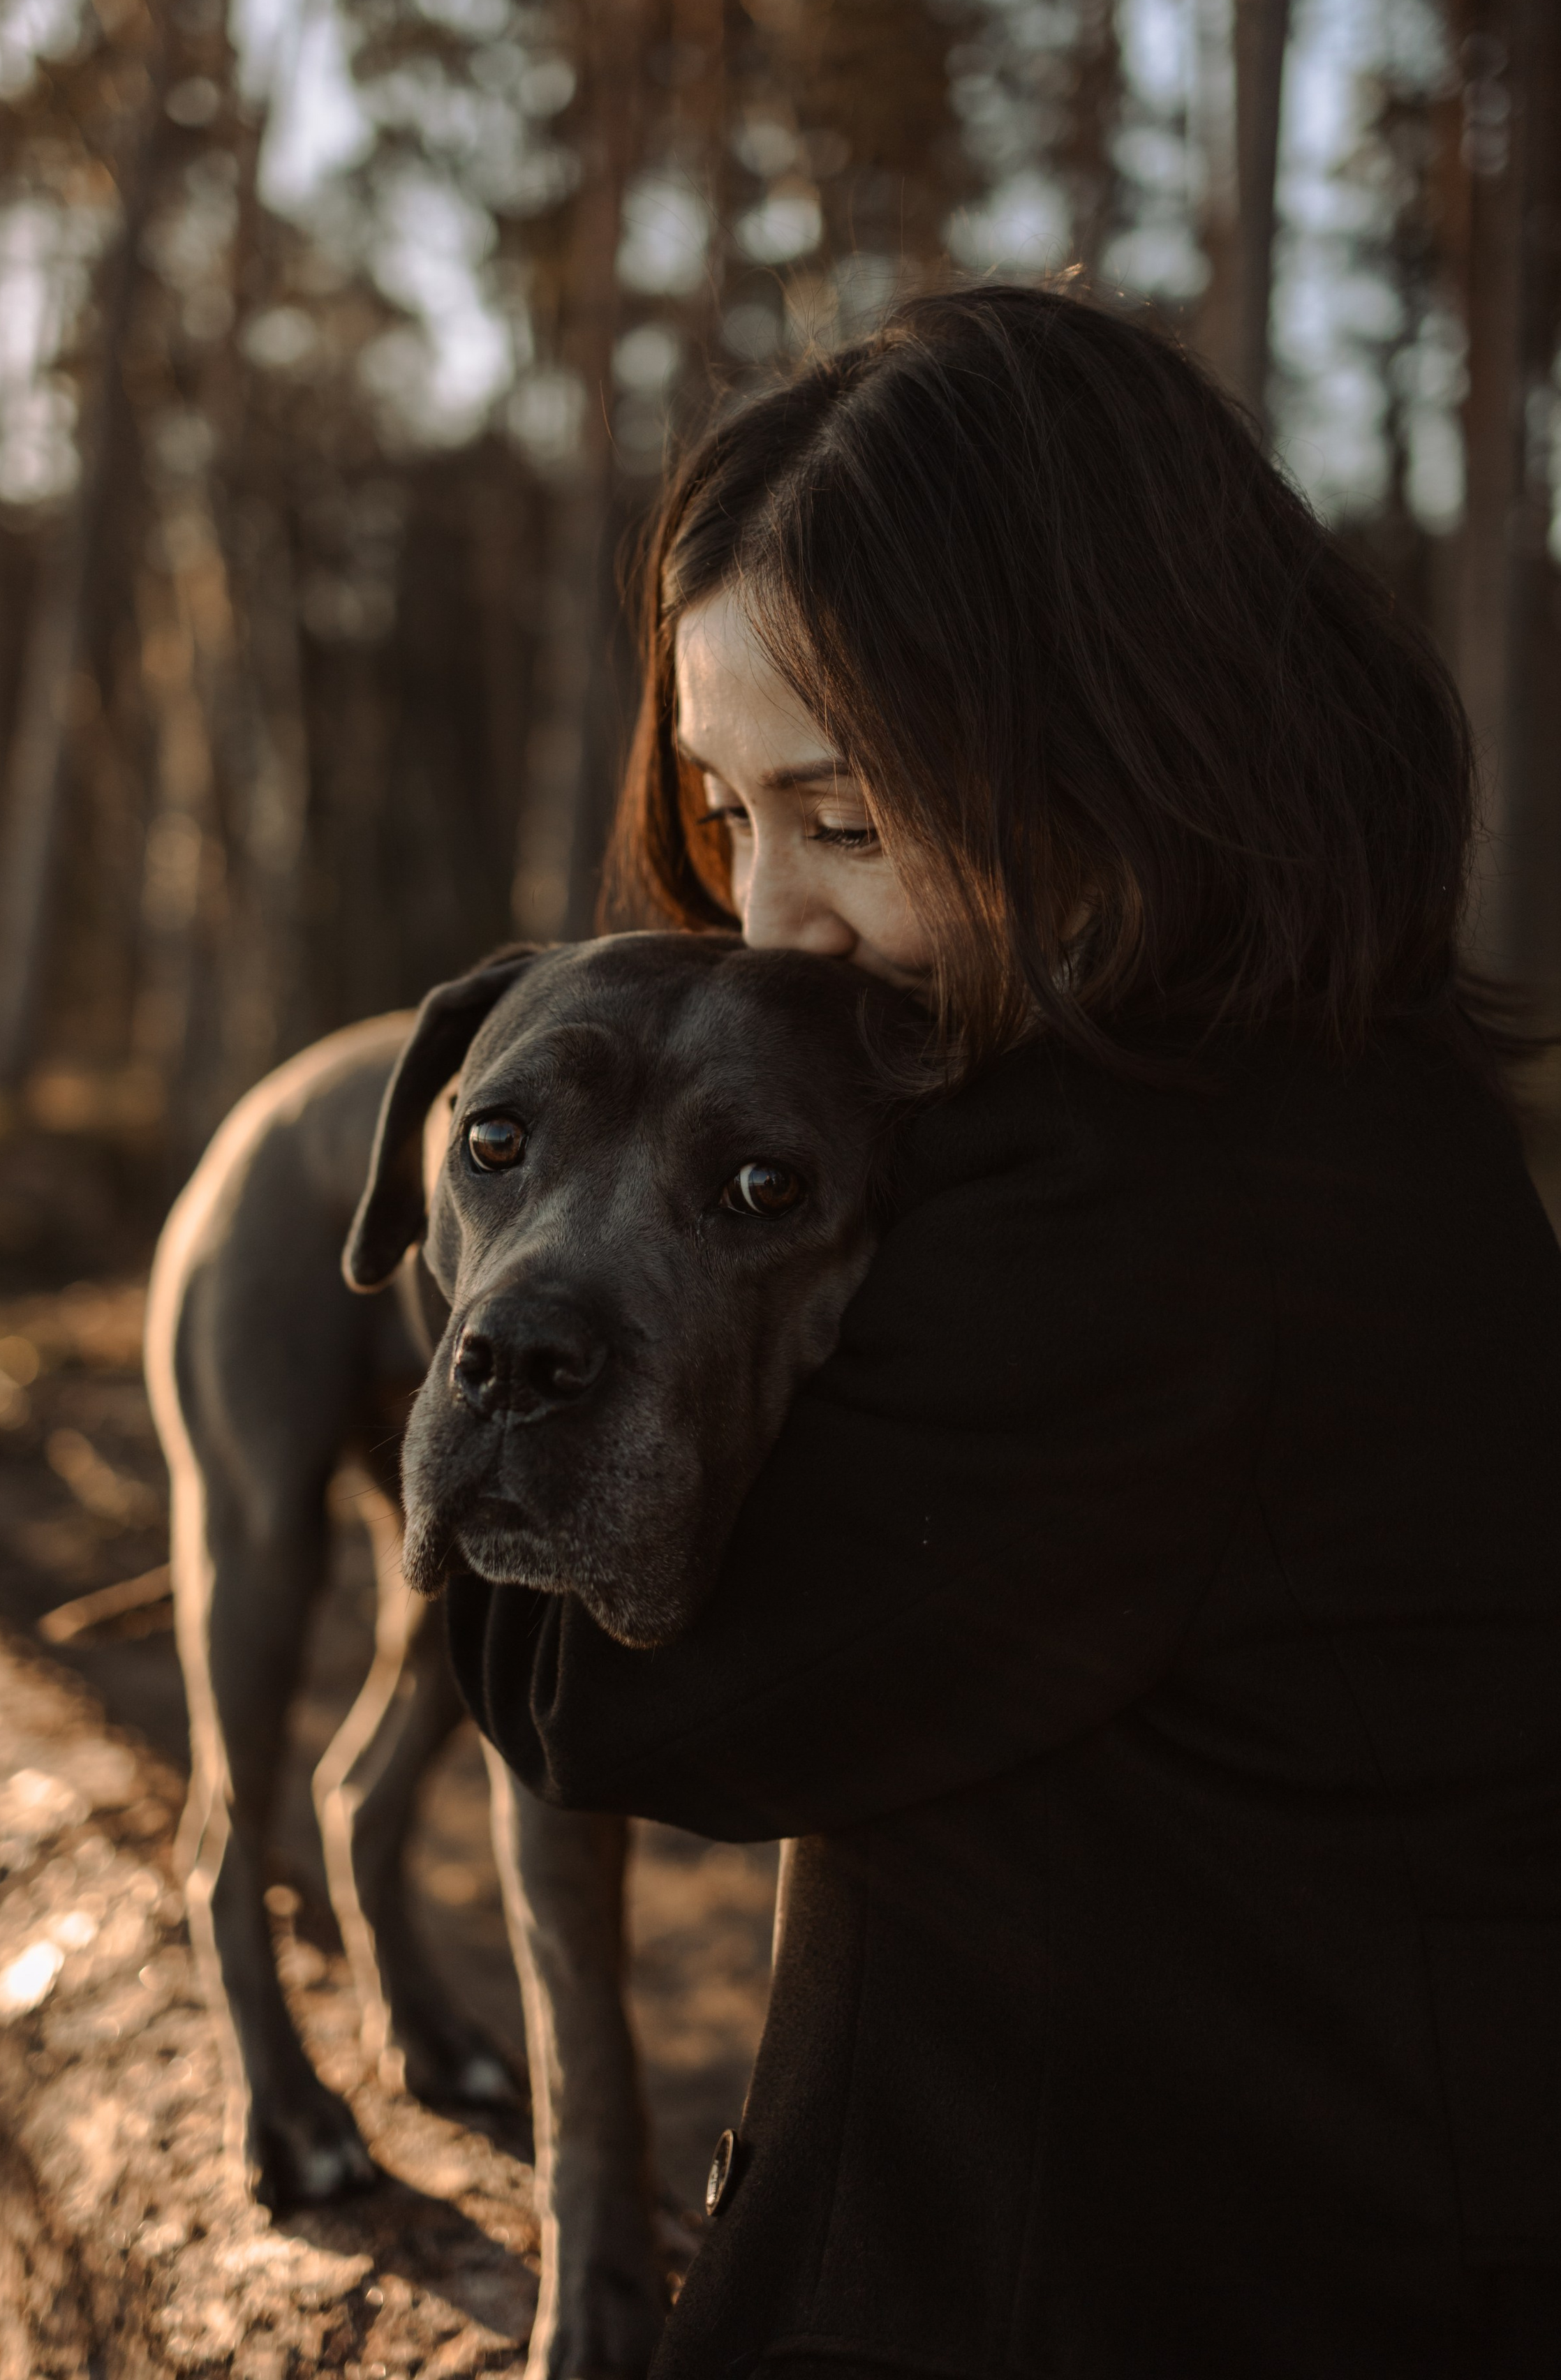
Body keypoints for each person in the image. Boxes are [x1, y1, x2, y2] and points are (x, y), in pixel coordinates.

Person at [448, 285, 1561, 2379]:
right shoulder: (1321, 1098)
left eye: (848, 818)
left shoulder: (1161, 1210)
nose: (769, 919)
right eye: (725, 811)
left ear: (1130, 738)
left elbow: (609, 1694)